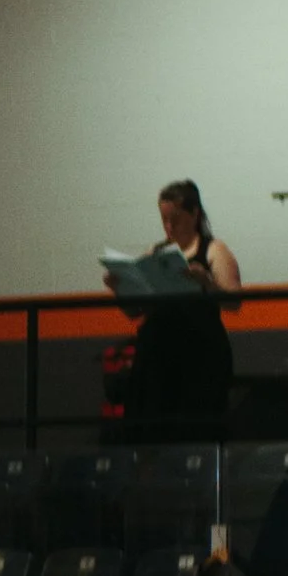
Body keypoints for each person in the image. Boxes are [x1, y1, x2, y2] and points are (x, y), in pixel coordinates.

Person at [110, 179, 240, 440]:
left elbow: (234, 301)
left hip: (199, 353)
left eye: (176, 220)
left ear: (194, 214)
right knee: (151, 427)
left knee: (196, 427)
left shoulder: (213, 250)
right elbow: (136, 312)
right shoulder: (156, 252)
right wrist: (120, 288)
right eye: (164, 220)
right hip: (157, 353)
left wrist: (206, 282)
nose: (169, 228)